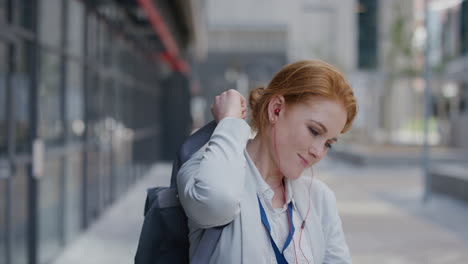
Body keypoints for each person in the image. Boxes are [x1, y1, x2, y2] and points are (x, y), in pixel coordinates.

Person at [177, 59, 357, 264]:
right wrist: (230, 122)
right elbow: (216, 203)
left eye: (328, 144)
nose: (318, 152)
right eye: (314, 131)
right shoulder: (208, 169)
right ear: (276, 109)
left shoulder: (319, 199)